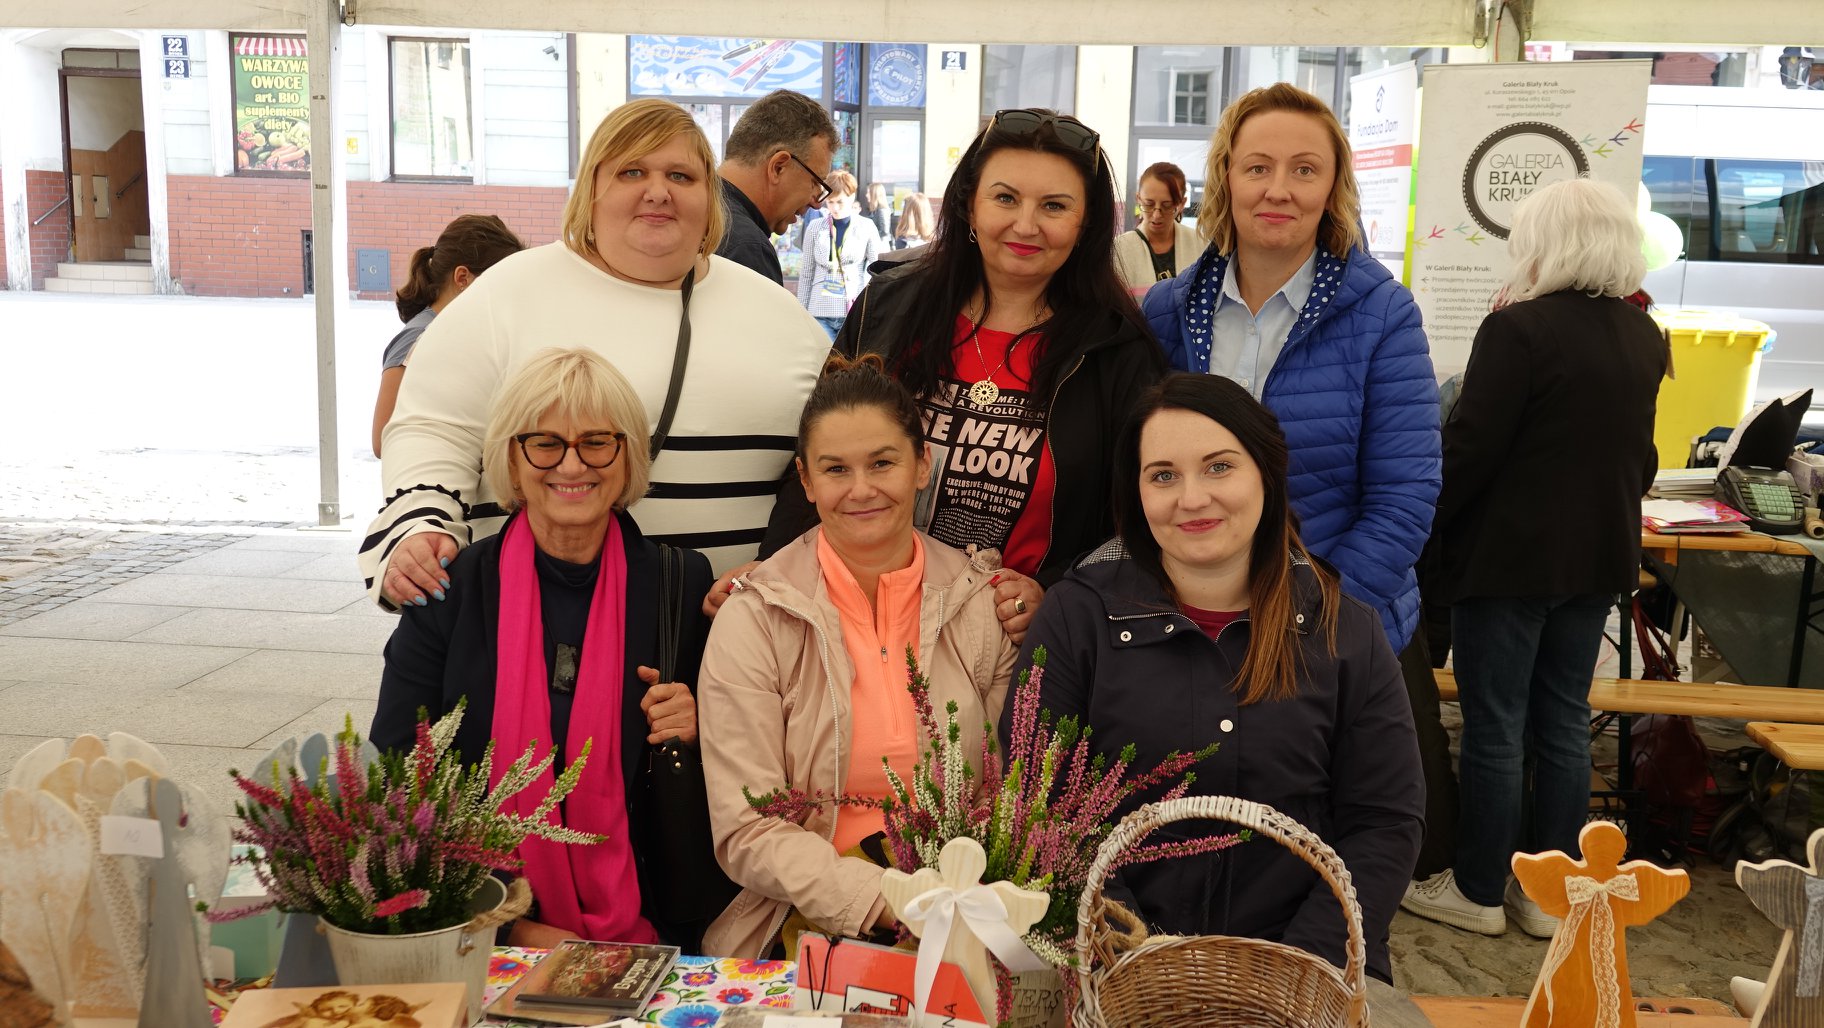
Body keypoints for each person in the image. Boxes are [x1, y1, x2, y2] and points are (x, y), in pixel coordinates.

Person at [1006, 372, 1423, 984]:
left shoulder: (1345, 631)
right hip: (1115, 975)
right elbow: (1039, 802)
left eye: (1219, 467)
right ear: (1136, 492)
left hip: (1303, 980)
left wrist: (1297, 970)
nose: (1192, 498)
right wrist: (1133, 957)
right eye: (1163, 476)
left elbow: (1384, 823)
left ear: (1266, 474)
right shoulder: (1077, 618)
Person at [1141, 83, 1451, 876]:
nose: (1278, 189)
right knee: (1206, 852)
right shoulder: (1168, 312)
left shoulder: (1381, 314)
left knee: (1333, 868)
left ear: (1333, 186)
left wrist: (1314, 622)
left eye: (1304, 169)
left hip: (1340, 630)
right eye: (1258, 167)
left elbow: (1404, 497)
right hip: (1197, 629)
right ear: (1226, 178)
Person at [361, 98, 829, 611]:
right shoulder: (506, 294)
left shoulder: (783, 318)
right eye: (632, 172)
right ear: (591, 190)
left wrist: (791, 567)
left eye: (681, 175)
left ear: (709, 197)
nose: (658, 191)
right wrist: (421, 525)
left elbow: (834, 465)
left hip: (731, 635)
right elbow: (433, 427)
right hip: (534, 622)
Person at [761, 108, 1166, 641]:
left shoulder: (1117, 350)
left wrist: (1057, 592)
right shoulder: (890, 307)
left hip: (1007, 641)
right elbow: (817, 458)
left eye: (1054, 205)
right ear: (970, 204)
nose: (1026, 224)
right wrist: (771, 578)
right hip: (854, 618)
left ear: (1085, 222)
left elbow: (1138, 521)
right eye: (1005, 198)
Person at [372, 347, 729, 951]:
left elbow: (744, 766)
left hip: (654, 930)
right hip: (483, 926)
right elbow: (397, 775)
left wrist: (701, 728)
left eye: (596, 442)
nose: (571, 463)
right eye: (545, 443)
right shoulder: (451, 592)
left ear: (626, 457)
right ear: (512, 460)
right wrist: (507, 924)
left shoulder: (682, 585)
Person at [1401, 178, 1666, 938]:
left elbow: (1469, 450)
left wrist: (1422, 522)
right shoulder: (1644, 333)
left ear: (1545, 244)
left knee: (1495, 728)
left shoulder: (1517, 330)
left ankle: (1480, 891)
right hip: (1598, 561)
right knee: (1563, 726)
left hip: (1508, 563)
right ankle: (1552, 899)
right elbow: (1642, 460)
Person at [697, 355, 1016, 958]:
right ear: (806, 480)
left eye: (882, 463)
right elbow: (748, 826)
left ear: (922, 465)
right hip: (805, 924)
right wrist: (888, 901)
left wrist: (955, 899)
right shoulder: (756, 618)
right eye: (836, 469)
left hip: (967, 912)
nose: (861, 489)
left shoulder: (980, 605)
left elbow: (1004, 790)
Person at [372, 214, 524, 456]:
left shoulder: (463, 334)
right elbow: (383, 440)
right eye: (499, 283)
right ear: (463, 278)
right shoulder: (418, 337)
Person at [714, 90, 838, 286]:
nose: (817, 203)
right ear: (778, 167)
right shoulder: (747, 248)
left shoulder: (692, 214)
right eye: (816, 182)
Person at [796, 171, 884, 341]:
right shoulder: (815, 227)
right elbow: (806, 273)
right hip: (819, 309)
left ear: (851, 198)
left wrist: (872, 308)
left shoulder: (866, 227)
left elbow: (877, 270)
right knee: (823, 356)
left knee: (847, 357)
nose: (835, 208)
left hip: (853, 309)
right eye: (830, 202)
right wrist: (802, 312)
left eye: (840, 202)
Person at [1114, 161, 1205, 297]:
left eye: (1167, 205)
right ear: (1138, 199)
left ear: (1182, 204)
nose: (1156, 215)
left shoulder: (1200, 244)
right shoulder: (1120, 248)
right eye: (1149, 204)